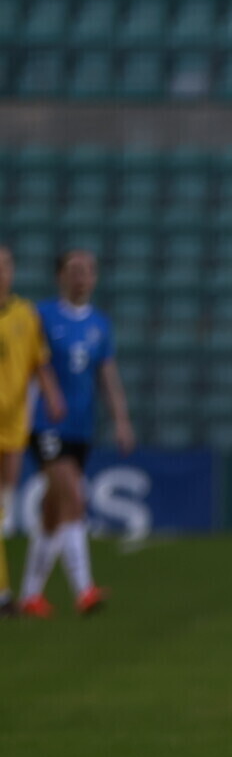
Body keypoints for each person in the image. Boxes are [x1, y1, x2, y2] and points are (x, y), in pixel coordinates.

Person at [18, 248, 132, 619]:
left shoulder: (100, 324)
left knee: (53, 512)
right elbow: (26, 362)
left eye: (88, 271)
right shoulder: (42, 315)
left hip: (81, 428)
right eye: (74, 270)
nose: (81, 277)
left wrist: (121, 419)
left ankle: (30, 595)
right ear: (60, 276)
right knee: (73, 496)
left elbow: (107, 375)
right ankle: (84, 589)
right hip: (46, 422)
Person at [0, 244, 68, 616]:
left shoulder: (25, 314)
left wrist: (53, 395)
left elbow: (38, 362)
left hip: (13, 424)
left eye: (4, 266)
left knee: (3, 508)